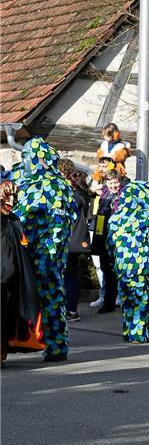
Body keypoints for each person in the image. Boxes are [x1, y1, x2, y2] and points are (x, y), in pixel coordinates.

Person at [12, 139, 76, 362]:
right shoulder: (25, 182)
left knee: (51, 298)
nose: (25, 160)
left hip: (45, 254)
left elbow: (59, 224)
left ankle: (57, 346)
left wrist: (47, 256)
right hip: (22, 253)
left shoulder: (56, 186)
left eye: (29, 155)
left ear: (40, 159)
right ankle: (21, 341)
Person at [108, 181, 149, 344]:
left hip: (123, 266)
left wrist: (115, 262)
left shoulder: (115, 219)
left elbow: (110, 245)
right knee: (141, 300)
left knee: (127, 299)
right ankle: (139, 334)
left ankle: (128, 331)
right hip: (143, 267)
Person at [1, 179, 41, 363]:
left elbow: (22, 246)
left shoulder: (14, 219)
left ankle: (2, 352)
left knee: (8, 318)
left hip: (12, 277)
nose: (11, 202)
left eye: (13, 197)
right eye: (6, 198)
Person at [89, 167, 123, 314]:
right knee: (106, 270)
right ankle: (109, 303)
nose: (113, 186)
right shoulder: (104, 194)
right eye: (110, 183)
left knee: (118, 272)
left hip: (117, 239)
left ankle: (119, 301)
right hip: (103, 237)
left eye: (115, 183)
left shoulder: (123, 196)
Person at [61, 161, 91, 322]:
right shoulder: (83, 195)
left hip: (70, 241)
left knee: (69, 276)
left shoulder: (74, 197)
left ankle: (71, 310)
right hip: (76, 241)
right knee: (71, 274)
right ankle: (71, 309)